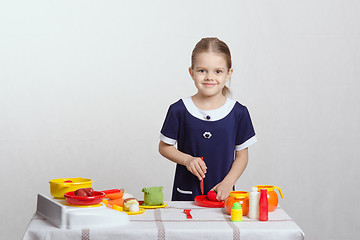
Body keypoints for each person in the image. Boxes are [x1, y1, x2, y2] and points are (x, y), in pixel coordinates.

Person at [159, 37, 257, 201]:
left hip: (222, 197)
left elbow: (242, 156)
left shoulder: (239, 113)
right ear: (192, 72)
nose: (209, 77)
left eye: (217, 71)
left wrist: (228, 183)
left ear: (228, 74)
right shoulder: (179, 110)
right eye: (202, 70)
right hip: (186, 196)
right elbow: (164, 147)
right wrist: (187, 160)